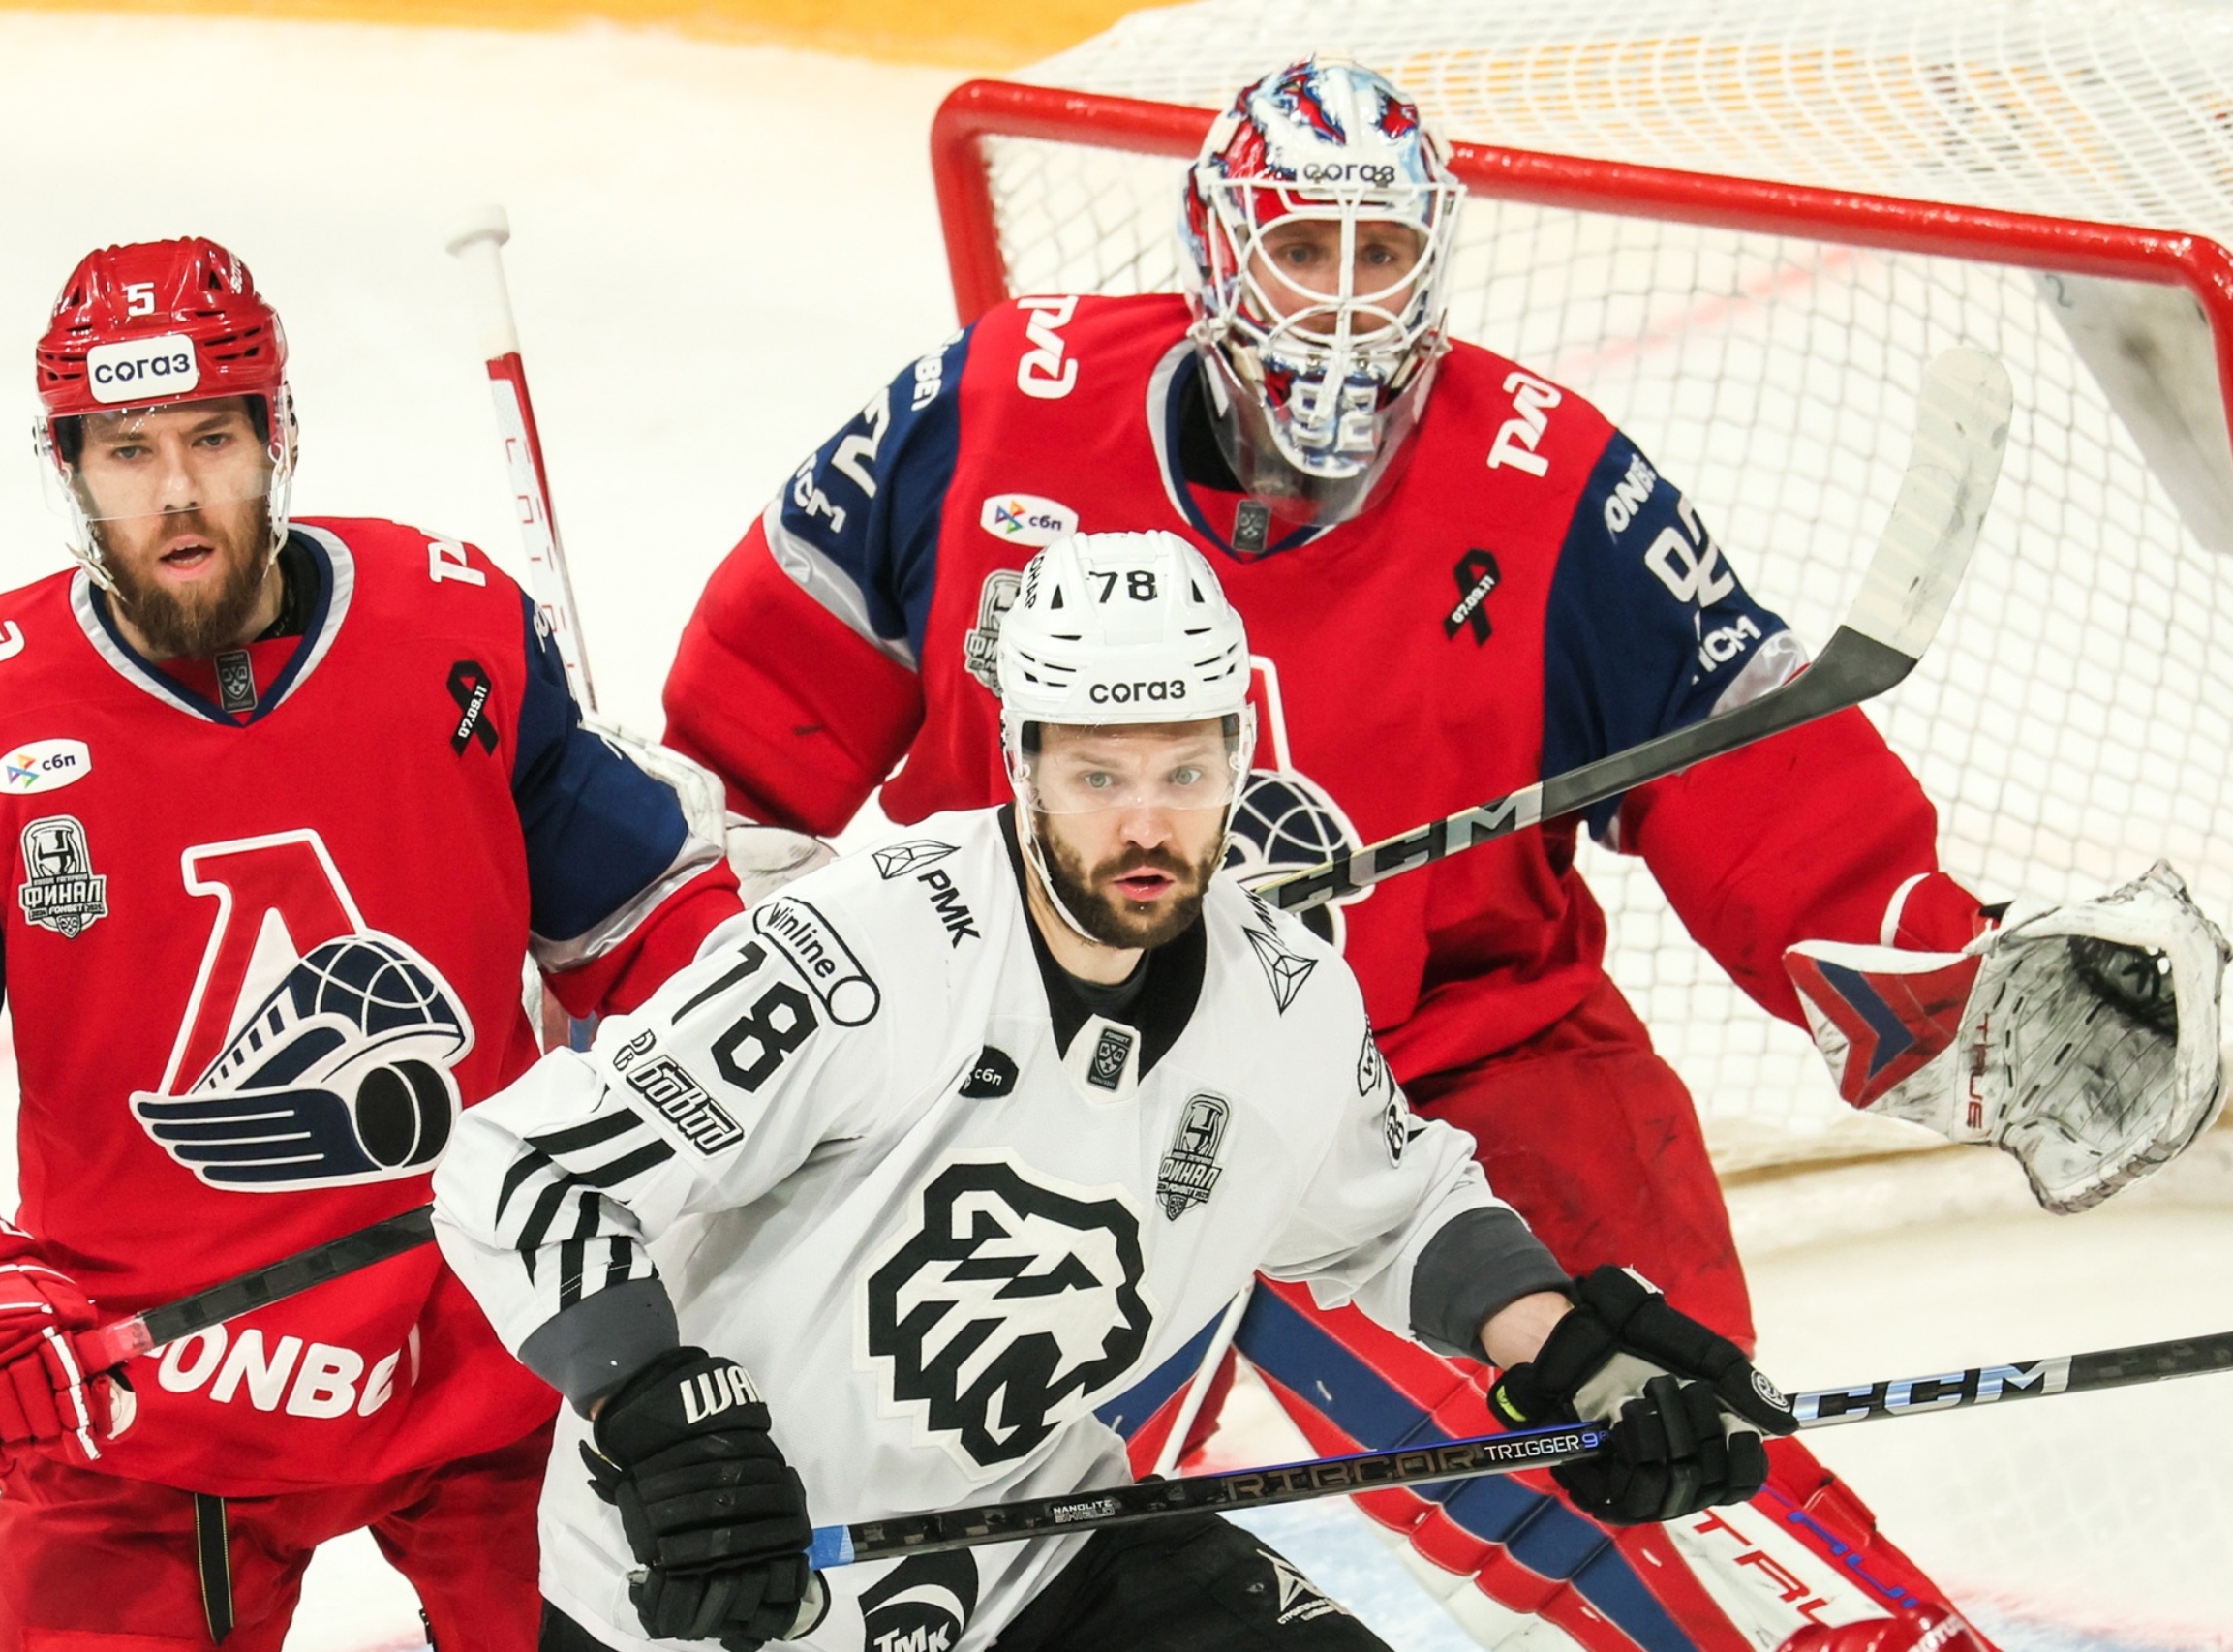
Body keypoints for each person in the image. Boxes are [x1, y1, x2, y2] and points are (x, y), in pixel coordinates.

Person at [654, 57, 2220, 1652]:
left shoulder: (1548, 484)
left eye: (1383, 252)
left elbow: (1751, 761)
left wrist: (1942, 979)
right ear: (1214, 249)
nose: (1343, 301)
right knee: (870, 1524)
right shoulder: (1001, 406)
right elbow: (746, 748)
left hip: (1459, 1051)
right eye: (1302, 248)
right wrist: (757, 1014)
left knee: (1677, 1482)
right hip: (1037, 1083)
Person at [435, 530, 1802, 1652]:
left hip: (1036, 1549)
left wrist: (1570, 1351)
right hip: (721, 1582)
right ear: (1020, 760)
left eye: (1184, 773)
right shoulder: (874, 949)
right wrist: (655, 1412)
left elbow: (1393, 1207)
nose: (1147, 827)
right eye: (1098, 775)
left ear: (1237, 760)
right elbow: (521, 1168)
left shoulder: (1285, 994)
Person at [0, 237, 741, 1651]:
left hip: (503, 1339)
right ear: (69, 467)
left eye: (211, 438)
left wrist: (749, 984)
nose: (177, 492)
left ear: (276, 435)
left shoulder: (455, 626)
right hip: (149, 1396)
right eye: (128, 451)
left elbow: (646, 928)